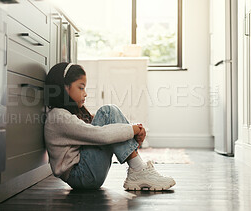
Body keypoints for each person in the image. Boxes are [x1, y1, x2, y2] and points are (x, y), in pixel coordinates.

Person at [44, 62, 176, 190]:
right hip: (81, 175)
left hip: (84, 174)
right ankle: (138, 169)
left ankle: (138, 168)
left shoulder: (64, 114)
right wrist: (132, 130)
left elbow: (99, 131)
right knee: (108, 112)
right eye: (81, 87)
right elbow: (100, 135)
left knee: (108, 116)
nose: (85, 93)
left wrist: (132, 131)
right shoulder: (59, 117)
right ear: (64, 87)